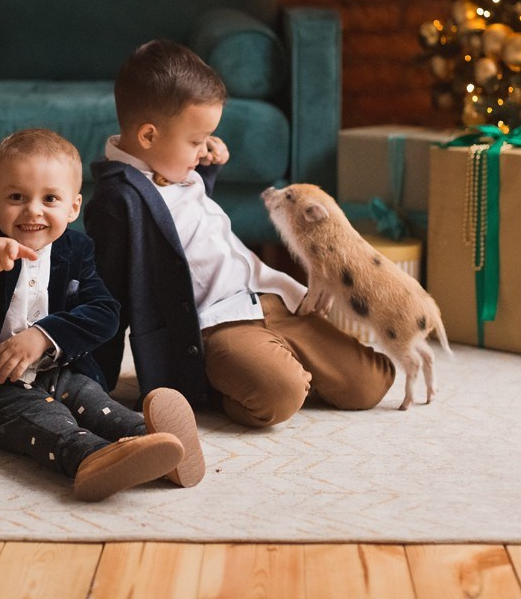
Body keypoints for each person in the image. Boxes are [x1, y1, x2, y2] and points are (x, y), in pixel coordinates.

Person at [84, 41, 396, 428]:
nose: (203, 149)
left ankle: (268, 362)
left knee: (372, 384)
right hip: (214, 325)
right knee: (281, 395)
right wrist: (94, 381)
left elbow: (187, 228)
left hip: (264, 298)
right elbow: (107, 291)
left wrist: (205, 172)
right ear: (148, 136)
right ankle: (222, 382)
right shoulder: (116, 200)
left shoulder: (172, 164)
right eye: (196, 141)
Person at [0, 128, 205, 501]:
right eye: (16, 197)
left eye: (49, 198)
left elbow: (105, 312)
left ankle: (156, 440)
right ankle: (91, 459)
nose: (33, 210)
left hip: (57, 371)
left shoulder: (77, 249)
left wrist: (45, 336)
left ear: (73, 208)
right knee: (47, 420)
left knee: (97, 403)